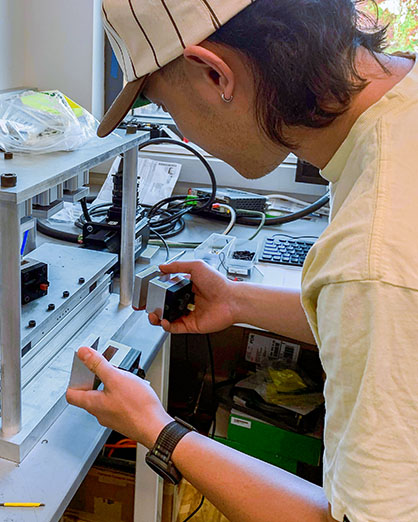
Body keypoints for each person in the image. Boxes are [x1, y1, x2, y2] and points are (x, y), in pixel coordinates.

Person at [66, 1, 418, 520]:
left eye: (168, 108)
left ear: (214, 74)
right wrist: (238, 300)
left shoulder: (374, 247)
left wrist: (157, 430)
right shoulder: (395, 122)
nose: (183, 133)